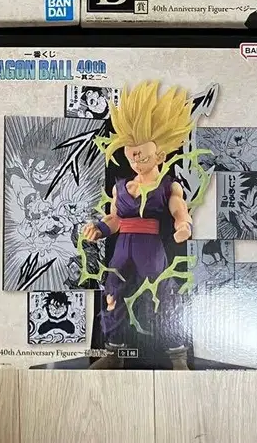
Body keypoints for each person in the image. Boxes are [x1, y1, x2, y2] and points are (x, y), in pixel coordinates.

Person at [81, 81, 196, 370]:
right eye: (131, 153)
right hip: (122, 249)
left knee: (163, 295)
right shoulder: (122, 186)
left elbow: (179, 208)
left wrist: (183, 225)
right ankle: (114, 353)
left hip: (150, 248)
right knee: (112, 295)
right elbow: (115, 218)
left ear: (160, 155)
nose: (136, 159)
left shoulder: (168, 185)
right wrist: (99, 228)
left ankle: (178, 356)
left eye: (142, 154)